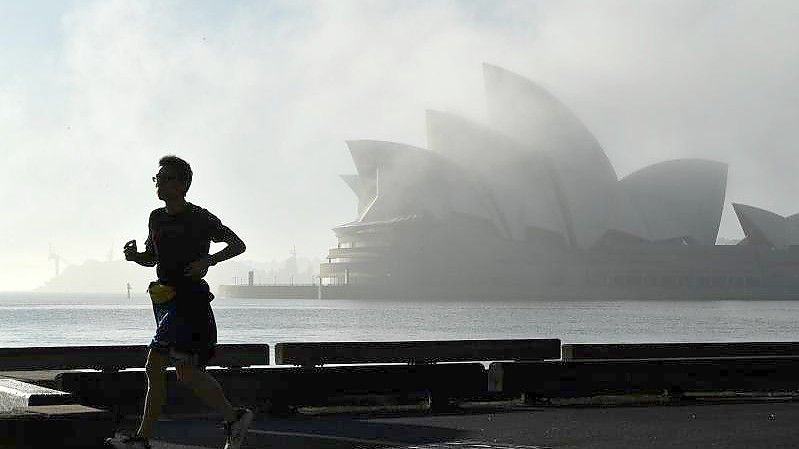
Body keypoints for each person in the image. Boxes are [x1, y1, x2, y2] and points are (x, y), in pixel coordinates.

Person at [107, 155, 253, 449]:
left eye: (166, 178)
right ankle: (234, 417)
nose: (159, 183)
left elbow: (238, 245)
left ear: (183, 184)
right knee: (186, 373)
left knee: (154, 365)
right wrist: (135, 257)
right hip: (164, 300)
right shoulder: (156, 217)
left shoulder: (200, 217)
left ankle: (142, 438)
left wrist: (208, 260)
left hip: (189, 300)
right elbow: (153, 258)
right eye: (157, 178)